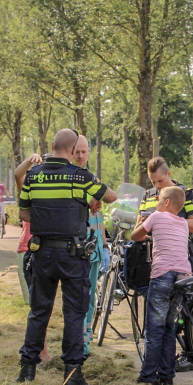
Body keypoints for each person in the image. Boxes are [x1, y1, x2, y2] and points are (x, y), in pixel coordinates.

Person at [15, 128, 117, 385]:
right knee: (74, 312)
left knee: (39, 310)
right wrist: (85, 200)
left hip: (42, 253)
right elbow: (111, 197)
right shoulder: (80, 176)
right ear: (73, 151)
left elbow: (25, 215)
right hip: (73, 254)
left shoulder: (33, 177)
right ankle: (72, 375)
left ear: (52, 145)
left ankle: (27, 369)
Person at [137, 156, 193, 373]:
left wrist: (168, 221)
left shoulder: (184, 193)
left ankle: (192, 351)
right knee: (158, 316)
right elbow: (139, 224)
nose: (156, 187)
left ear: (169, 174)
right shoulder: (148, 196)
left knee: (184, 311)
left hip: (180, 258)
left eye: (159, 181)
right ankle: (166, 364)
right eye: (152, 182)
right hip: (154, 260)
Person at [130, 185, 192, 385]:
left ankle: (148, 376)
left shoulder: (156, 216)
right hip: (183, 276)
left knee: (154, 330)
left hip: (163, 276)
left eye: (159, 201)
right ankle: (167, 378)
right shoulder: (184, 223)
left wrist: (142, 225)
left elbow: (135, 236)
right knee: (169, 329)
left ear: (166, 203)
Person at [71, 135, 110, 360]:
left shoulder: (93, 179)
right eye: (77, 151)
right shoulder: (69, 179)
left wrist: (104, 245)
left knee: (91, 298)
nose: (81, 156)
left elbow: (100, 215)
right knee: (79, 298)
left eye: (85, 151)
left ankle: (86, 344)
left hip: (94, 249)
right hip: (77, 248)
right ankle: (77, 345)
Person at [14, 152, 51, 362]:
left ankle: (39, 350)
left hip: (44, 252)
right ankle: (39, 350)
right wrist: (30, 160)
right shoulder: (31, 189)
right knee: (35, 305)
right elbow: (18, 174)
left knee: (41, 305)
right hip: (26, 251)